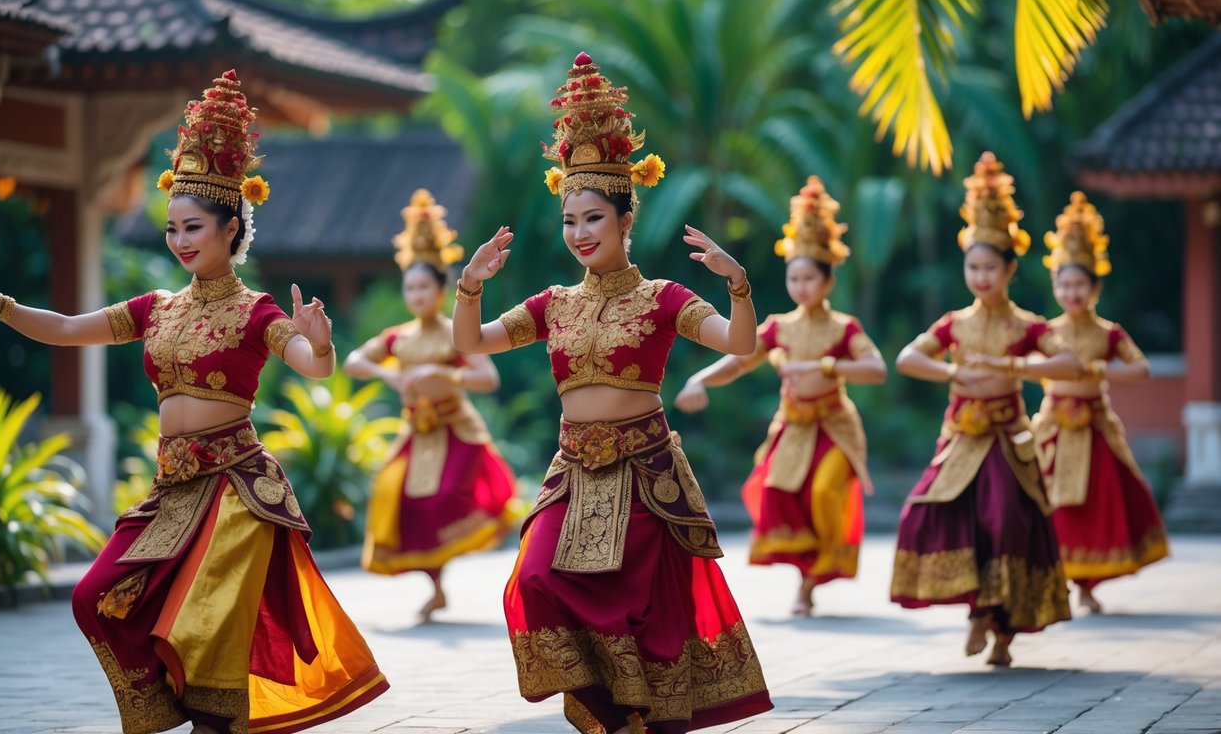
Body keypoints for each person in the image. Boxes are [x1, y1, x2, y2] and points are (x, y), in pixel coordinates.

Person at [0, 70, 387, 734]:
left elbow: (314, 370)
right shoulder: (156, 308)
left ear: (231, 227)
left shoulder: (255, 311)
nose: (179, 241)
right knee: (94, 598)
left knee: (202, 634)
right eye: (172, 228)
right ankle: (164, 706)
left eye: (193, 227)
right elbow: (64, 328)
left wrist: (321, 344)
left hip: (235, 491)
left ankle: (208, 720)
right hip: (171, 489)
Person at [452, 52, 772, 734]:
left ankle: (636, 719)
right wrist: (469, 285)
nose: (579, 234)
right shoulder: (552, 304)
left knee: (643, 616)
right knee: (536, 580)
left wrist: (737, 283)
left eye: (592, 218)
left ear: (625, 218)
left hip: (643, 474)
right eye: (569, 222)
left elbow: (739, 345)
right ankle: (607, 713)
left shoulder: (663, 299)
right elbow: (472, 343)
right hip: (572, 471)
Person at [891, 152, 1081, 667]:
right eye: (973, 267)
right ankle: (979, 611)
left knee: (1006, 523)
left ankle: (1001, 632)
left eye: (989, 268)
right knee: (928, 515)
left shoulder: (1028, 325)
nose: (980, 276)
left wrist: (1013, 368)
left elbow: (1070, 363)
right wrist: (955, 374)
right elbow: (908, 358)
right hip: (960, 439)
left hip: (1008, 440)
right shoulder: (954, 323)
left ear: (1010, 270)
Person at [675, 177, 886, 617]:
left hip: (832, 426)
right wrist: (699, 379)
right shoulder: (777, 326)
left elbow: (876, 370)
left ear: (827, 280)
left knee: (827, 489)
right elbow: (738, 361)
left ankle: (816, 573)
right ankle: (806, 578)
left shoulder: (844, 328)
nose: (801, 286)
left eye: (810, 277)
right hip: (792, 426)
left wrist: (825, 367)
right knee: (778, 491)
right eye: (794, 278)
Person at [344, 188, 523, 622]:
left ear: (442, 290)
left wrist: (444, 376)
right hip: (416, 432)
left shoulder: (454, 333)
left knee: (447, 497)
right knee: (394, 494)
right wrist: (389, 373)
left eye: (424, 286)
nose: (417, 294)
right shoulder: (397, 337)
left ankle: (516, 549)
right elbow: (352, 362)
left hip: (454, 428)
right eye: (410, 287)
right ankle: (436, 587)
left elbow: (488, 378)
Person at [1032, 191, 1168, 614]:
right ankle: (1052, 578)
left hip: (1094, 428)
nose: (1072, 292)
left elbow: (1141, 369)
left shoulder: (1109, 334)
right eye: (1064, 284)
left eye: (1079, 284)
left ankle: (1087, 585)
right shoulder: (1044, 330)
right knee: (1045, 502)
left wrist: (1096, 371)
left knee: (1096, 505)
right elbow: (1029, 366)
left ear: (1095, 287)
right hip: (1054, 426)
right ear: (1055, 287)